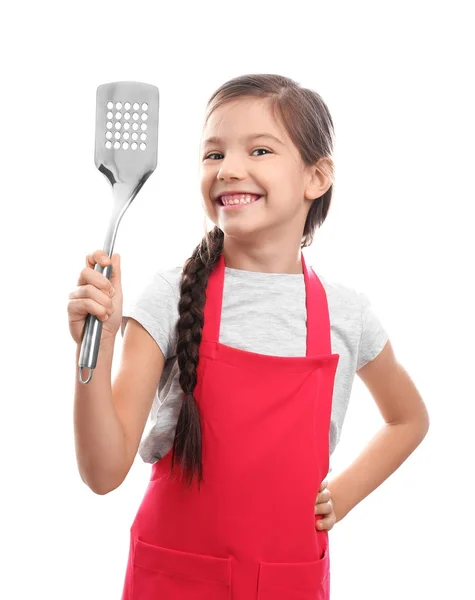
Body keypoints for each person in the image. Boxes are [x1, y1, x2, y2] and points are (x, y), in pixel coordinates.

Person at [68, 74, 430, 599]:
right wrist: (91, 352)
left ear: (317, 176)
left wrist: (345, 495)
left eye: (259, 150)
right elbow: (102, 472)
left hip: (287, 580)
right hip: (173, 579)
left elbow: (409, 418)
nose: (228, 169)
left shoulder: (345, 316)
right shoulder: (167, 297)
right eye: (212, 154)